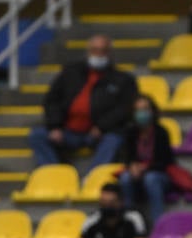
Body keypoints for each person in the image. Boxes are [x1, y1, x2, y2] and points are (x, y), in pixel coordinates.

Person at [29, 34, 137, 171]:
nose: (98, 55)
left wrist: (102, 127)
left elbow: (124, 109)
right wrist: (55, 126)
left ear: (109, 53)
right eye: (94, 50)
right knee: (38, 135)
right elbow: (52, 100)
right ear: (88, 51)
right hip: (67, 131)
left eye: (102, 51)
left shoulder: (123, 80)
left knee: (114, 139)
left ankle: (93, 178)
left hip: (98, 133)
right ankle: (55, 174)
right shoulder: (70, 73)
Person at [117, 94, 174, 227]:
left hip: (159, 174)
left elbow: (166, 161)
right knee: (125, 178)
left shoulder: (161, 132)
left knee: (151, 179)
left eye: (145, 109)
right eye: (138, 110)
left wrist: (145, 168)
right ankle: (130, 223)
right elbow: (127, 157)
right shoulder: (130, 132)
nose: (142, 113)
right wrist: (132, 166)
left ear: (152, 111)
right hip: (136, 174)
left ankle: (158, 225)